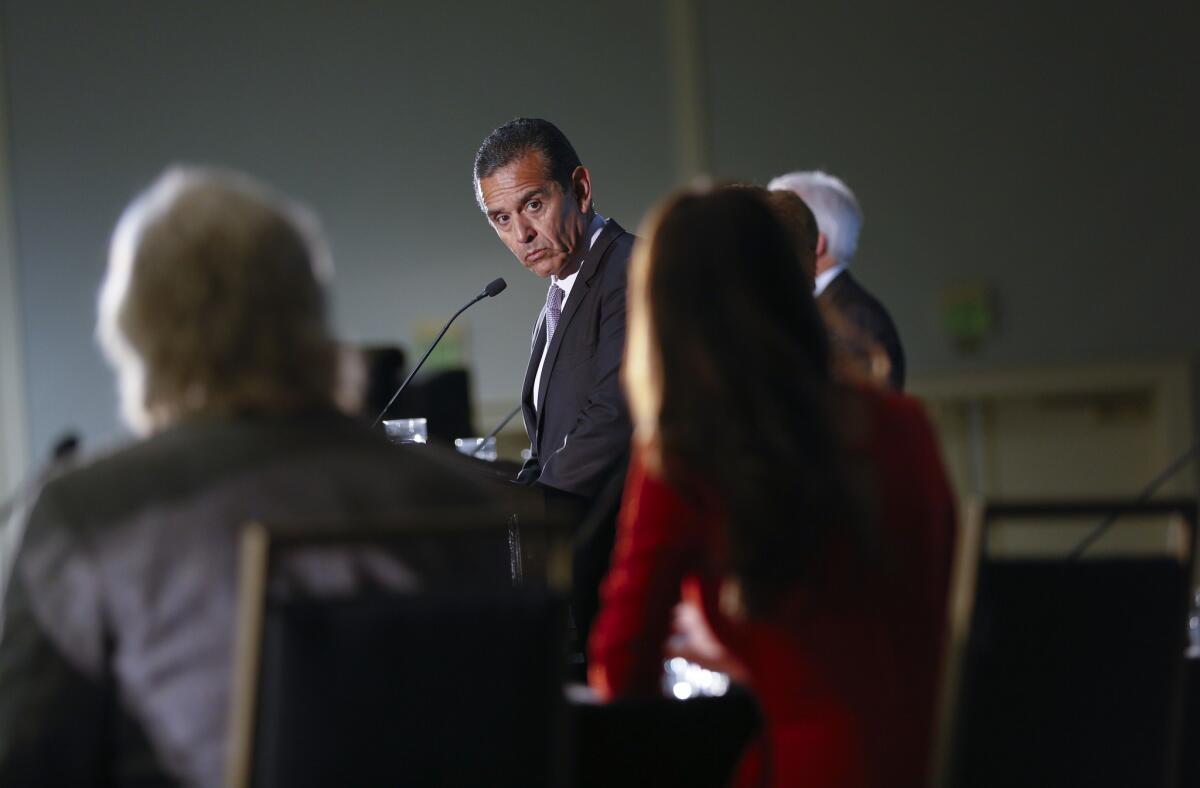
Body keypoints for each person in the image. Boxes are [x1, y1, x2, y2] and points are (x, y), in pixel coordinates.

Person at [0, 166, 500, 786]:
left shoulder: (87, 515)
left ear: (138, 334)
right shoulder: (458, 501)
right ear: (310, 318)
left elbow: (27, 764)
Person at [588, 186, 956, 787]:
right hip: (942, 757)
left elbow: (621, 668)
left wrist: (721, 648)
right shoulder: (903, 426)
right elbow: (885, 622)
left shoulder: (687, 452)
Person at [473, 118, 634, 647]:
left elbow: (615, 415)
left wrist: (533, 508)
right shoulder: (564, 285)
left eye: (533, 205)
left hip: (618, 556)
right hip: (581, 558)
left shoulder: (630, 270)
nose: (520, 234)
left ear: (581, 189)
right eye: (501, 217)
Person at [768, 170, 906, 389]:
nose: (765, 243)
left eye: (775, 230)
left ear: (815, 241)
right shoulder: (823, 309)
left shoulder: (856, 320)